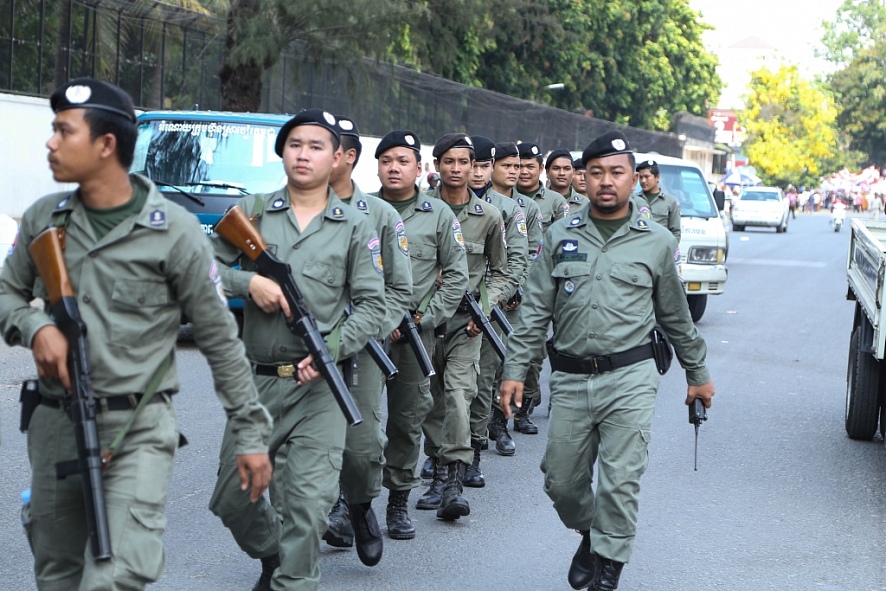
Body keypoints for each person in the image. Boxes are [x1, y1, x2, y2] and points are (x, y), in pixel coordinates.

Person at [0, 77, 273, 591]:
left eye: (64, 131)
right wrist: (35, 327)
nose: (50, 142)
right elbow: (5, 294)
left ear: (106, 145)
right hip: (56, 421)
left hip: (138, 428)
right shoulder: (44, 217)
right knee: (57, 576)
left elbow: (219, 339)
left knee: (114, 576)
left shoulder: (174, 230)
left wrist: (251, 435)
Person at [499, 130, 715, 591]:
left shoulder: (656, 241)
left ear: (633, 179)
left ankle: (608, 572)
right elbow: (535, 310)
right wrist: (516, 371)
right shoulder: (560, 235)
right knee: (560, 482)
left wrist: (697, 375)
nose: (606, 181)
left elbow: (676, 317)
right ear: (583, 179)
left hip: (632, 377)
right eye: (596, 172)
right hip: (572, 378)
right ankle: (591, 533)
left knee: (620, 481)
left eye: (617, 173)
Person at [208, 109, 386, 591]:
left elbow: (375, 305)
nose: (304, 154)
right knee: (232, 499)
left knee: (307, 509)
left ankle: (293, 576)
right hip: (257, 387)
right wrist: (249, 282)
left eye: (316, 146)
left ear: (336, 160)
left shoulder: (355, 225)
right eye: (295, 144)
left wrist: (331, 345)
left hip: (320, 390)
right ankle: (274, 557)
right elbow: (198, 269)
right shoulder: (253, 213)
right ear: (282, 152)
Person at [321, 116, 414, 565]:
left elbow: (400, 288)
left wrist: (375, 323)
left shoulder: (381, 215)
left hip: (360, 346)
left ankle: (359, 507)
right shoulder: (288, 210)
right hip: (299, 349)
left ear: (347, 157)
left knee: (360, 449)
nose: (310, 156)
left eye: (325, 148)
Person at [373, 129, 468, 538]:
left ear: (419, 168)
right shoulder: (359, 209)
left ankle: (397, 502)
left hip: (414, 336)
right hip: (366, 333)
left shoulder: (439, 215)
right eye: (387, 160)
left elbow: (457, 277)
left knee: (407, 421)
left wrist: (423, 318)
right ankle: (347, 502)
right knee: (354, 420)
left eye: (403, 161)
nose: (394, 168)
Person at [418, 133, 508, 520]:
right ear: (436, 166)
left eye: (464, 162)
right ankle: (436, 470)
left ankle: (453, 479)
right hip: (421, 323)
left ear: (474, 168)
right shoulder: (418, 212)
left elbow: (501, 273)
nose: (456, 169)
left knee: (457, 396)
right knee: (429, 401)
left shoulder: (489, 217)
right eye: (448, 162)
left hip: (464, 325)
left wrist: (482, 311)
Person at [464, 136, 528, 486]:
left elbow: (515, 261)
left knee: (480, 381)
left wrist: (492, 301)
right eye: (470, 163)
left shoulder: (506, 209)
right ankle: (439, 456)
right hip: (441, 310)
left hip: (487, 310)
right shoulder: (437, 207)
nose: (475, 172)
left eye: (483, 165)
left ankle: (472, 454)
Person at [516, 141, 569, 426]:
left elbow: (565, 245)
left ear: (540, 169)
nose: (524, 171)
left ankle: (526, 405)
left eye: (529, 166)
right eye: (518, 165)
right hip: (511, 284)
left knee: (537, 351)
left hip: (547, 286)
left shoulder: (556, 203)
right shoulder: (499, 198)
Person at [635, 159, 681, 244]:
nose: (643, 181)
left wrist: (668, 250)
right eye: (640, 177)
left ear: (657, 177)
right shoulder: (634, 200)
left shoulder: (670, 202)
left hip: (660, 250)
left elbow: (676, 232)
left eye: (647, 177)